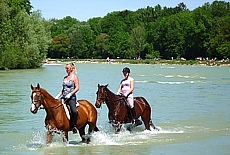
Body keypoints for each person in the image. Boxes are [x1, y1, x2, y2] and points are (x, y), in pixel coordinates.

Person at [55, 63, 80, 134]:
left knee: (74, 111)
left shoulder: (74, 77)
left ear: (71, 69)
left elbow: (77, 87)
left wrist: (70, 94)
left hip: (71, 97)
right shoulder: (65, 78)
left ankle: (74, 126)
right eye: (66, 68)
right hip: (64, 97)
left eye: (68, 68)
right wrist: (58, 95)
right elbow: (63, 89)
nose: (66, 70)